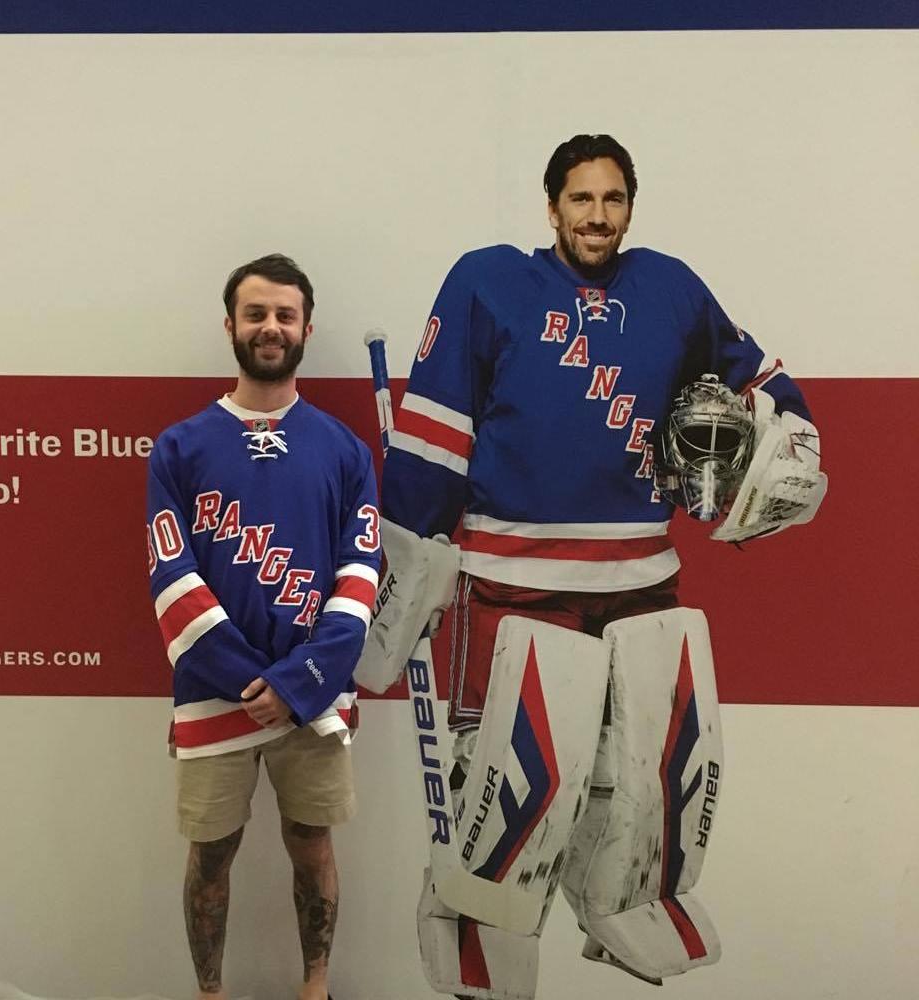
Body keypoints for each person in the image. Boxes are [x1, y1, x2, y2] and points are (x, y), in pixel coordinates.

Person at [365, 134, 824, 996]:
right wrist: (405, 569)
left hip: (642, 583)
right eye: (581, 199)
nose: (598, 216)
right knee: (514, 788)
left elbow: (755, 382)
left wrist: (791, 436)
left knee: (648, 778)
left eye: (613, 199)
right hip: (513, 585)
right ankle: (480, 937)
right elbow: (434, 435)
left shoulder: (670, 289)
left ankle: (626, 897)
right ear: (552, 208)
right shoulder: (490, 282)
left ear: (630, 208)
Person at [146, 254, 381, 1000]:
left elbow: (361, 577)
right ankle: (210, 993)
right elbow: (170, 577)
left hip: (313, 696)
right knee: (210, 857)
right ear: (230, 326)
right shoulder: (179, 447)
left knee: (313, 847)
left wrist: (299, 681)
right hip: (216, 695)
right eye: (256, 314)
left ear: (306, 327)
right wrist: (256, 682)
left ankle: (316, 988)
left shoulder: (344, 450)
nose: (270, 327)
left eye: (285, 314)